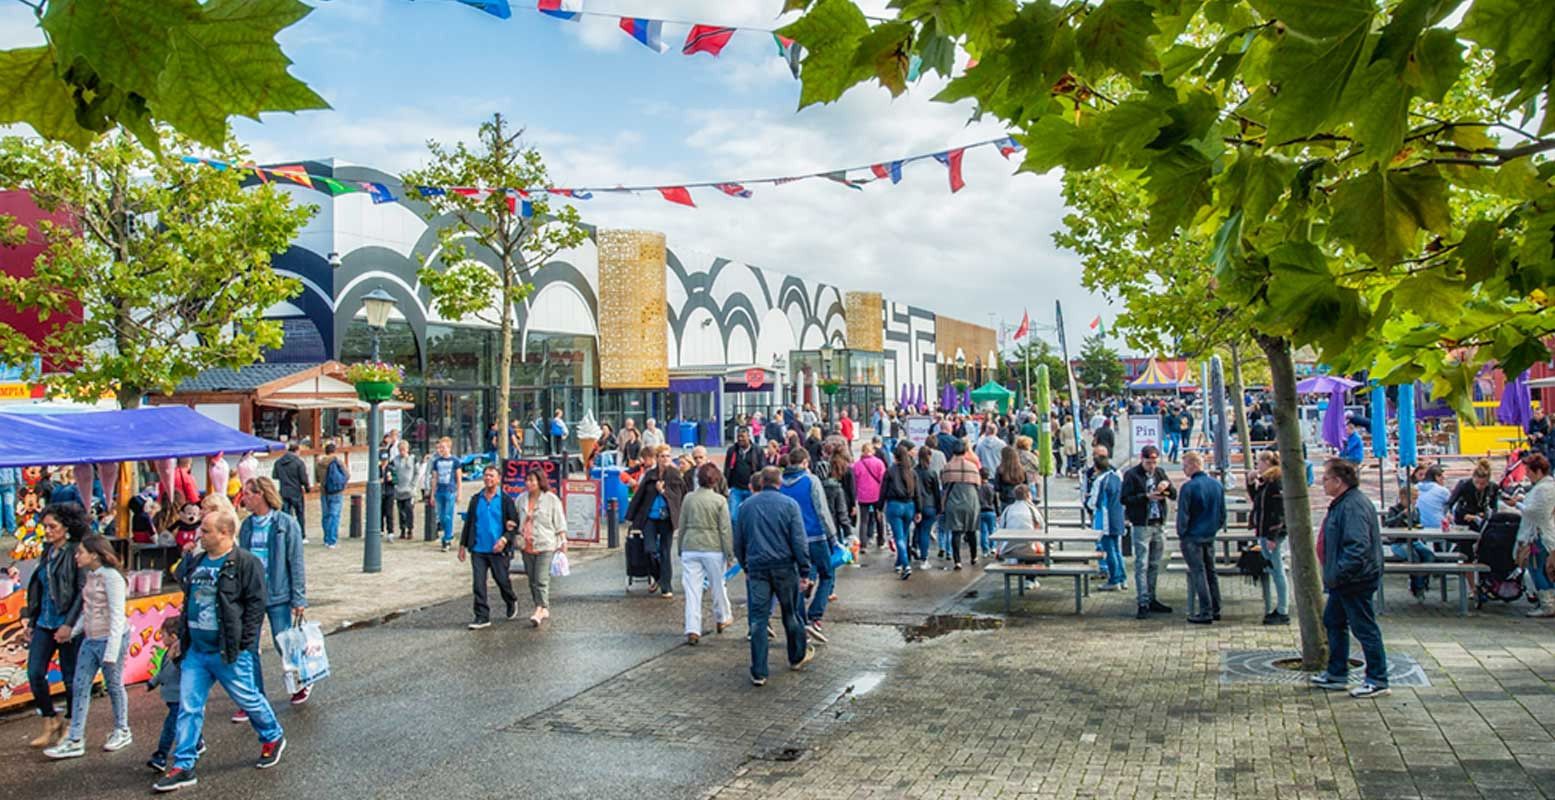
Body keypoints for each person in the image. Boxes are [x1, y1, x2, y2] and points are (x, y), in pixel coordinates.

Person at [154, 507, 286, 793]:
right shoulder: (199, 561)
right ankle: (184, 764)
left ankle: (272, 735)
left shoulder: (245, 563)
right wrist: (182, 639)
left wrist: (244, 644)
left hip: (228, 650)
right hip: (196, 652)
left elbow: (255, 605)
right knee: (189, 707)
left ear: (225, 533)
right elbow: (187, 597)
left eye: (206, 531)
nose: (200, 534)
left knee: (248, 698)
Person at [45, 535, 132, 759]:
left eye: (81, 552)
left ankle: (122, 729)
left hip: (109, 639)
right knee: (79, 685)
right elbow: (88, 610)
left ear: (94, 554)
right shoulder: (92, 576)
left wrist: (112, 651)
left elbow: (116, 616)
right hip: (91, 638)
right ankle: (75, 739)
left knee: (114, 684)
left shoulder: (112, 578)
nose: (77, 556)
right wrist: (72, 632)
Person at [1310, 458, 1390, 698]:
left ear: (1338, 481)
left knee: (1364, 627)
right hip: (1343, 579)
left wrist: (1339, 572)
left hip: (1354, 580)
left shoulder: (1352, 506)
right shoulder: (1343, 503)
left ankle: (1377, 678)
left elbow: (1358, 546)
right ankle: (1336, 672)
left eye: (1325, 479)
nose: (1322, 484)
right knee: (1333, 621)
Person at [733, 467, 815, 686]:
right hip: (784, 567)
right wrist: (804, 570)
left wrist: (746, 567)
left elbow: (738, 541)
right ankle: (796, 656)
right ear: (779, 482)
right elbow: (799, 540)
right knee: (790, 613)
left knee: (759, 619)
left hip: (757, 567)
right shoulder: (789, 505)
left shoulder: (746, 506)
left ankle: (759, 671)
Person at [237, 477, 309, 710]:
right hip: (252, 595)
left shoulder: (285, 524)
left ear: (261, 495)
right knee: (249, 646)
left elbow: (296, 562)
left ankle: (300, 681)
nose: (244, 497)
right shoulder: (247, 526)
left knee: (283, 643)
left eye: (248, 493)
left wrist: (298, 598)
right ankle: (255, 695)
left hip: (278, 593)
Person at [22, 503, 87, 749]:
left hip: (66, 624)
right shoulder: (47, 551)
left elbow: (81, 592)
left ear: (67, 528)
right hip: (44, 621)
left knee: (71, 678)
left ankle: (71, 723)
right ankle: (50, 719)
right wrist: (31, 618)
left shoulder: (76, 552)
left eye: (52, 526)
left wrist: (69, 625)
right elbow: (40, 587)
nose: (47, 531)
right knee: (35, 672)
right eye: (45, 526)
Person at [780, 448, 838, 640]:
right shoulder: (811, 481)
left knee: (796, 581)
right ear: (805, 462)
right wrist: (832, 537)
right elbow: (821, 510)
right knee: (827, 574)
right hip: (815, 537)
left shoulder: (780, 483)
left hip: (791, 540)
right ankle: (816, 615)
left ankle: (801, 621)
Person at [458, 466, 522, 630]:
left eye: (491, 476)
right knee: (478, 583)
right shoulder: (476, 499)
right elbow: (470, 523)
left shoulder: (505, 500)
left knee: (501, 580)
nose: (488, 479)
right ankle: (481, 615)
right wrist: (462, 546)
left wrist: (504, 539)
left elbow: (514, 525)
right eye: (486, 476)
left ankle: (510, 599)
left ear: (498, 479)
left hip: (498, 549)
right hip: (478, 548)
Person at [679, 463, 735, 645]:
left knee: (692, 590)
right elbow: (725, 530)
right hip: (713, 548)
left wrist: (680, 548)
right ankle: (722, 617)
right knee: (718, 586)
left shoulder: (688, 499)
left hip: (690, 546)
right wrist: (729, 555)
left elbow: (682, 524)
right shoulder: (720, 501)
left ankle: (692, 628)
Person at [1121, 445, 1175, 619]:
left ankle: (1152, 598)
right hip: (1141, 524)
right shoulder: (1132, 475)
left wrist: (1168, 487)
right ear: (1141, 459)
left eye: (1154, 462)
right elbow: (1124, 499)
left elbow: (1173, 494)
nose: (1151, 466)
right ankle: (1142, 601)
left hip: (1158, 523)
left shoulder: (1159, 473)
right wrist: (1146, 496)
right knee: (1141, 564)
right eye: (1148, 462)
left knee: (1154, 564)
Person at [146, 615, 206, 773]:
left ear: (173, 637)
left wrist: (176, 659)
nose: (161, 639)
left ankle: (161, 755)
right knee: (188, 721)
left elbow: (185, 671)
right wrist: (153, 682)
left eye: (163, 635)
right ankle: (198, 742)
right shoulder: (167, 652)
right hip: (172, 697)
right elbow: (162, 671)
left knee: (171, 726)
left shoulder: (182, 655)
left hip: (180, 697)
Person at [625, 445, 686, 598]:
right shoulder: (650, 474)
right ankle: (659, 576)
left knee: (665, 552)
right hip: (650, 517)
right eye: (662, 456)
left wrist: (663, 492)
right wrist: (630, 517)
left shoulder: (674, 474)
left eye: (668, 456)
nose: (665, 459)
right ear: (657, 458)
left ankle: (666, 586)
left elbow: (679, 496)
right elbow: (640, 496)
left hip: (667, 517)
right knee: (649, 550)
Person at [1177, 452, 1226, 624]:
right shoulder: (1217, 485)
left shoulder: (1188, 488)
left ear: (1192, 465)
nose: (1183, 470)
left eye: (1185, 466)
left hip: (1192, 536)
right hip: (1209, 535)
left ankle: (1205, 611)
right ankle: (1216, 608)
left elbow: (1183, 515)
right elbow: (1222, 515)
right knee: (1211, 571)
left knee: (1198, 573)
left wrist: (1182, 534)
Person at [517, 469, 567, 627]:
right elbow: (514, 518)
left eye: (532, 480)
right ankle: (540, 605)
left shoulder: (551, 499)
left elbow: (559, 522)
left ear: (540, 481)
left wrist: (563, 542)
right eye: (527, 480)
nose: (529, 484)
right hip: (527, 544)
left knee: (541, 578)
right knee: (532, 579)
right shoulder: (521, 499)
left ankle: (541, 608)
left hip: (545, 544)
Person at [1248, 450, 1290, 625]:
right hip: (1264, 531)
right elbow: (1257, 502)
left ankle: (1282, 609)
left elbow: (1279, 511)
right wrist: (1251, 484)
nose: (1258, 465)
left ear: (1267, 463)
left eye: (1259, 462)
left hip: (1272, 533)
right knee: (1272, 568)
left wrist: (1273, 535)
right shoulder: (1266, 482)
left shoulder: (1275, 482)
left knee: (1277, 570)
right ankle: (1278, 607)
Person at [1514, 453, 1555, 617]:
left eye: (1529, 472)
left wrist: (1517, 503)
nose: (1527, 475)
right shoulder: (1548, 486)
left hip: (1539, 535)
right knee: (1545, 569)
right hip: (1544, 533)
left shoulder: (1544, 488)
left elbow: (1536, 512)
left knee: (1537, 569)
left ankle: (1547, 605)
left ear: (1538, 471)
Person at [940, 441, 982, 570]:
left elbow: (944, 484)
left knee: (956, 532)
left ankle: (957, 561)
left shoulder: (948, 467)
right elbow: (978, 484)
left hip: (954, 501)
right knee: (971, 531)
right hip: (971, 500)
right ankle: (974, 557)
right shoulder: (972, 467)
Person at [1089, 454, 1126, 591]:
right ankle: (1122, 578)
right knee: (1117, 550)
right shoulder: (1117, 477)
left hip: (1105, 519)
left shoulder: (1100, 481)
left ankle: (1114, 579)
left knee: (1108, 550)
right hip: (1118, 516)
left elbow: (1094, 502)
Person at [882, 443, 918, 579]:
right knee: (904, 535)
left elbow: (883, 491)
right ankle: (899, 563)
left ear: (894, 457)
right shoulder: (911, 472)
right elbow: (917, 492)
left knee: (898, 538)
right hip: (909, 505)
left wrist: (879, 508)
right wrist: (918, 510)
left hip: (894, 505)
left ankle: (905, 564)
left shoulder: (890, 471)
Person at [426, 437, 461, 552]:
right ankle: (447, 535)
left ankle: (447, 539)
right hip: (439, 491)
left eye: (443, 447)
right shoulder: (437, 462)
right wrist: (432, 494)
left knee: (448, 515)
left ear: (449, 448)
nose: (441, 449)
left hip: (450, 490)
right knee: (441, 517)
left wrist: (459, 493)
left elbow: (458, 478)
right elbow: (434, 478)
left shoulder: (455, 461)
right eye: (440, 447)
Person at [1446, 458, 1499, 532]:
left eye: (1483, 484)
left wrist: (1481, 515)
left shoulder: (1493, 487)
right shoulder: (1464, 484)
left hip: (1482, 519)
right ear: (1473, 478)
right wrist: (1449, 514)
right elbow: (1450, 502)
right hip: (1463, 518)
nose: (1479, 486)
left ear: (1488, 481)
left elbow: (1494, 508)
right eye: (1476, 482)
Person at [270, 443, 309, 540]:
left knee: (286, 514)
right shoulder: (299, 462)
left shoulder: (278, 462)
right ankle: (301, 535)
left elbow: (275, 475)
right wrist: (307, 488)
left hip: (284, 491)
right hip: (296, 491)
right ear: (297, 450)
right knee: (299, 513)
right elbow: (303, 478)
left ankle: (286, 534)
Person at [851, 442, 885, 550]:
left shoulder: (857, 465)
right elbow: (882, 479)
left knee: (864, 520)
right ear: (873, 451)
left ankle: (863, 544)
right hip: (876, 495)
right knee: (878, 518)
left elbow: (854, 482)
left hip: (863, 496)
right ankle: (880, 541)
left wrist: (855, 496)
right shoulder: (879, 463)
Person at [913, 447, 942, 570]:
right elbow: (936, 492)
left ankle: (917, 549)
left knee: (919, 530)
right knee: (925, 532)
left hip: (916, 506)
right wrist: (939, 508)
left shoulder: (913, 472)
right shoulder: (932, 473)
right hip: (930, 506)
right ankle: (924, 558)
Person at [725, 427, 762, 524]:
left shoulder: (757, 450)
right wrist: (727, 486)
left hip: (752, 489)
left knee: (752, 517)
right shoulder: (732, 450)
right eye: (738, 437)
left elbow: (762, 468)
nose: (740, 439)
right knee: (733, 517)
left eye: (743, 436)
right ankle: (736, 537)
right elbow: (727, 468)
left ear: (749, 437)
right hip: (736, 489)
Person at [317, 443, 347, 549]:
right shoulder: (338, 461)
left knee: (326, 516)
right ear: (334, 451)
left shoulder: (320, 463)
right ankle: (332, 540)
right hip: (336, 492)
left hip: (324, 492)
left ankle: (326, 539)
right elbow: (347, 475)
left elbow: (317, 478)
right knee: (334, 516)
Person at [389, 440, 418, 541]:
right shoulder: (394, 460)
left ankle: (410, 529)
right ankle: (402, 529)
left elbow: (416, 473)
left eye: (404, 450)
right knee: (400, 511)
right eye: (400, 450)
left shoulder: (413, 459)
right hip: (399, 490)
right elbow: (392, 472)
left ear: (407, 449)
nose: (402, 452)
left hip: (409, 490)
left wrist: (413, 485)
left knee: (409, 510)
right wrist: (395, 483)